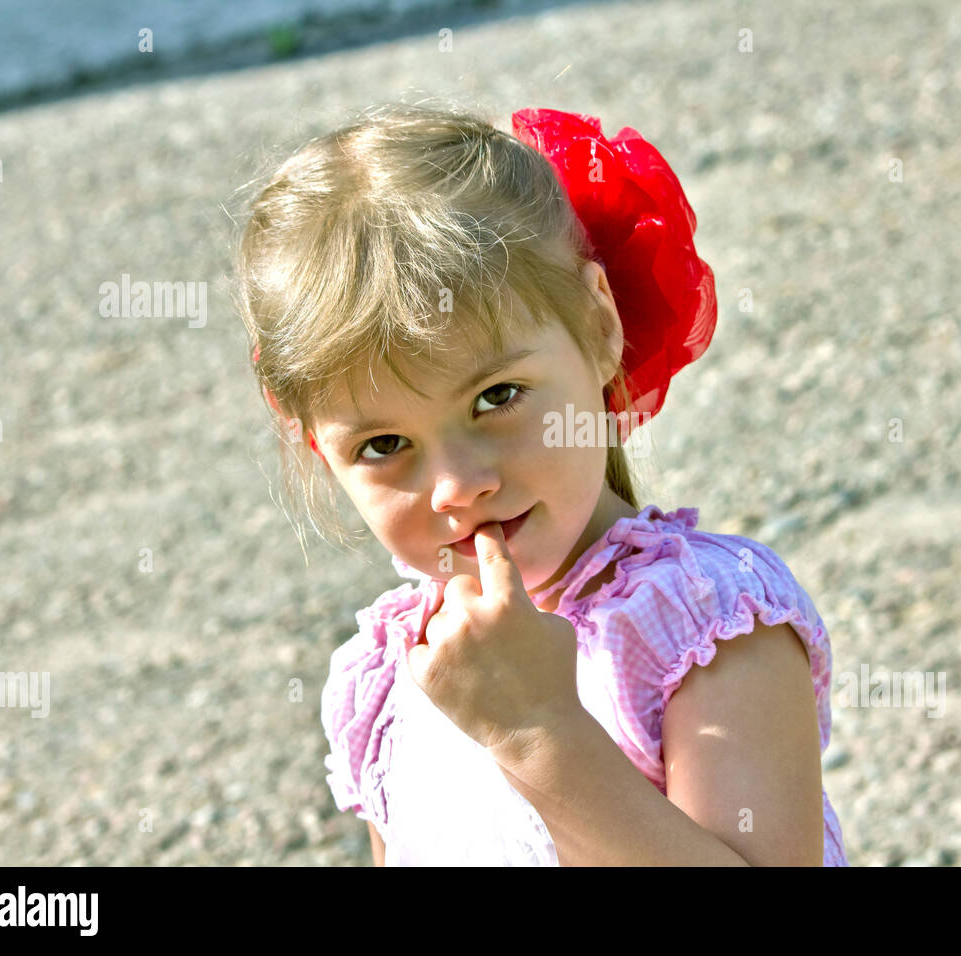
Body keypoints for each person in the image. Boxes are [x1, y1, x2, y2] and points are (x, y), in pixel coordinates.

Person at [233, 99, 849, 865]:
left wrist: (536, 730)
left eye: (497, 397)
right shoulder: (391, 676)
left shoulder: (709, 630)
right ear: (317, 448)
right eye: (384, 443)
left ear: (598, 327)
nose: (457, 485)